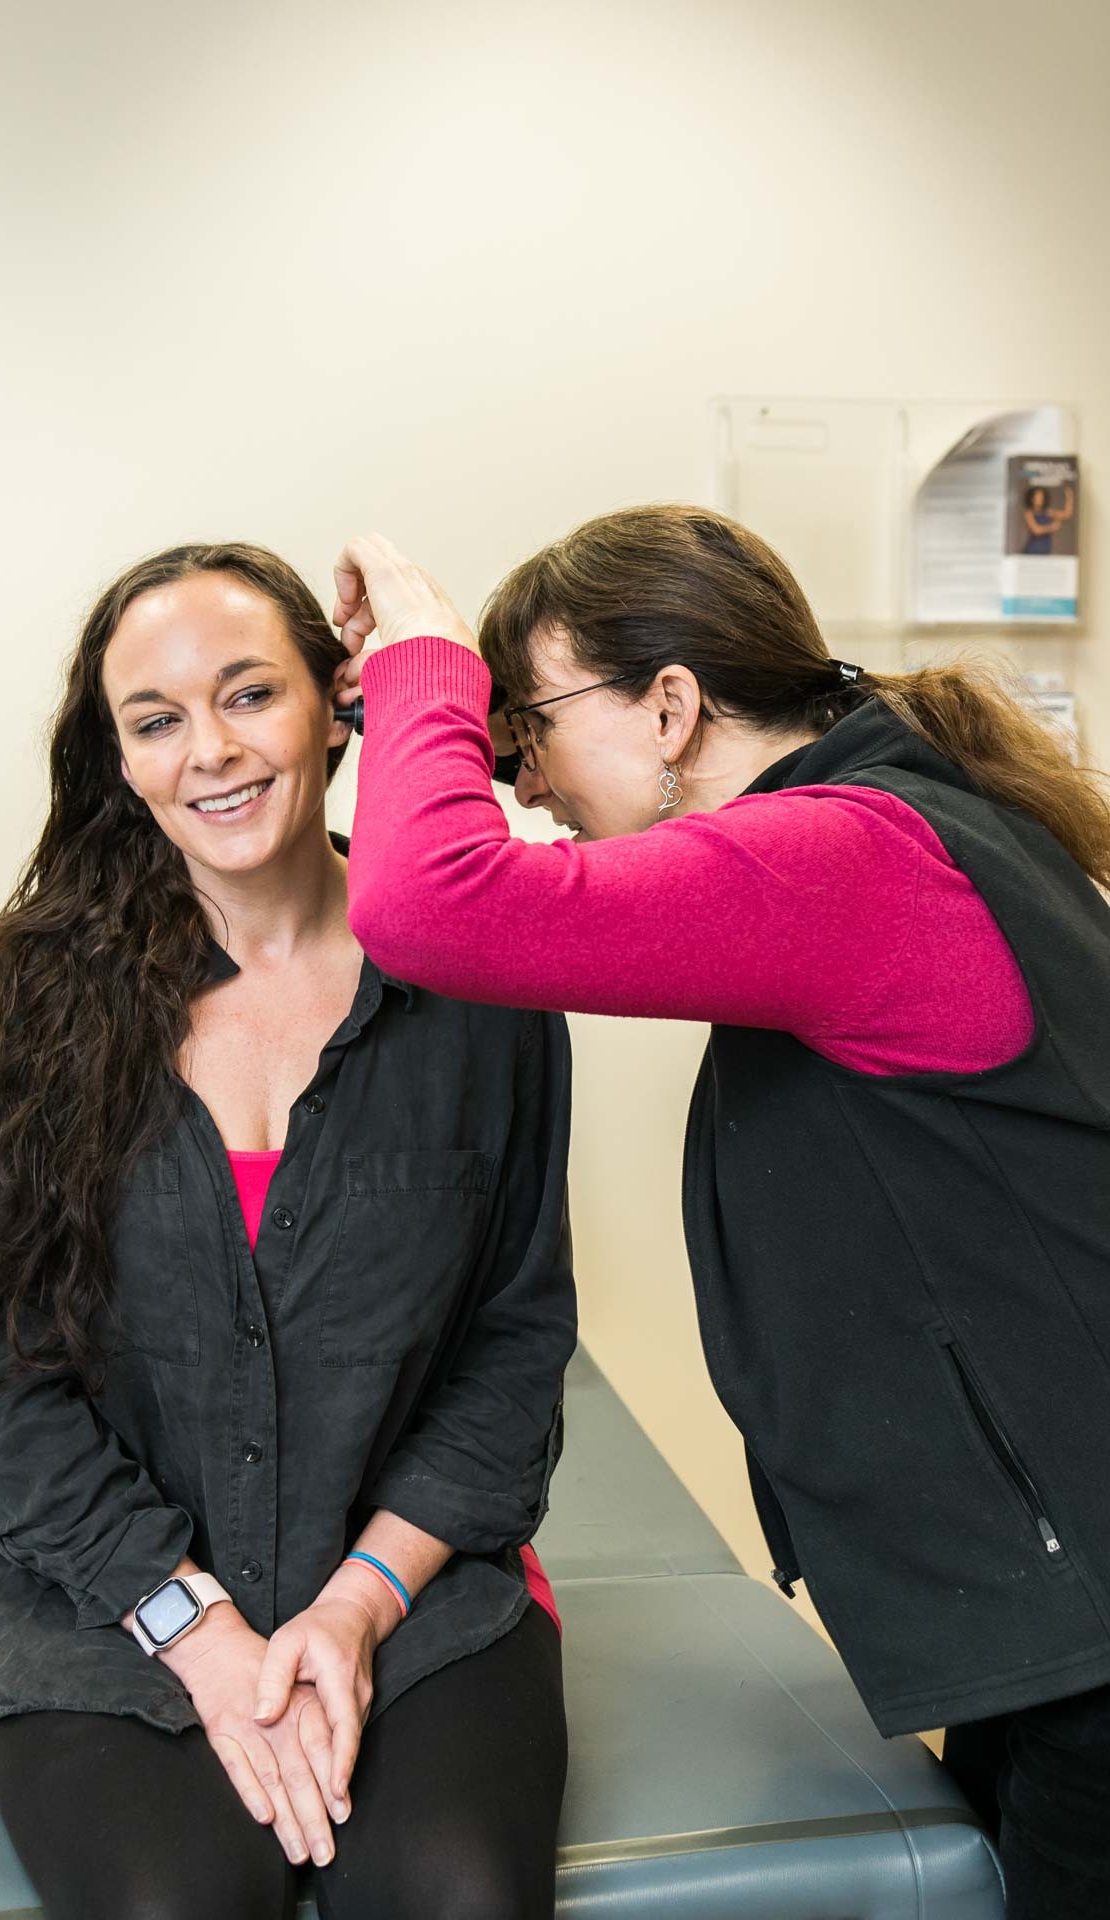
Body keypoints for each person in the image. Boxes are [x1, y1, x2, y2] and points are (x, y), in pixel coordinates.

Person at [327, 509, 1110, 1919]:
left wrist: (427, 667)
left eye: (530, 733)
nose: (522, 783)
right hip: (1051, 1600)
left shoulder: (845, 858)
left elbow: (432, 901)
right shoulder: (891, 828)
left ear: (672, 706)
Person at [0, 542, 575, 1920]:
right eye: (157, 721)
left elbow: (513, 1345)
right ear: (122, 761)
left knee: (459, 1896)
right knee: (178, 1907)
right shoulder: (42, 996)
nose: (209, 750)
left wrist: (356, 1609)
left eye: (249, 694)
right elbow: (9, 1391)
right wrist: (197, 1631)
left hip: (409, 1590)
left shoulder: (479, 976)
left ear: (339, 702)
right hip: (106, 1604)